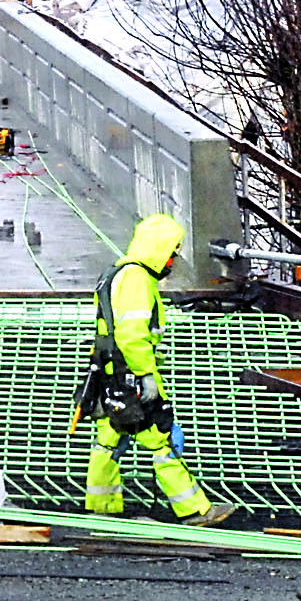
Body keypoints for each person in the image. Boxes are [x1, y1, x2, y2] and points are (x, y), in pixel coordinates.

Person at [77, 213, 232, 526]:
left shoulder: (116, 273)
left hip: (110, 375)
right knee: (161, 438)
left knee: (108, 440)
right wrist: (146, 376)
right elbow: (132, 335)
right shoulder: (137, 280)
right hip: (132, 376)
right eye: (172, 253)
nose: (173, 261)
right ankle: (194, 510)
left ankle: (101, 507)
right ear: (159, 250)